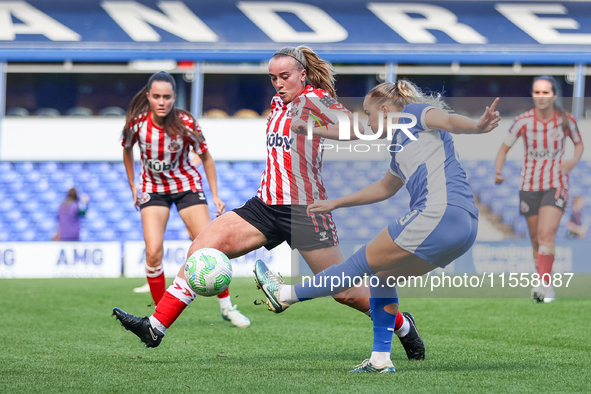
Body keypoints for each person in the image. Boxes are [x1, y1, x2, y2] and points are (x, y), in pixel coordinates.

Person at [113, 47, 423, 361]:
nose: (278, 83)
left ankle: (402, 325)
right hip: (265, 205)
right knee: (202, 246)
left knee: (345, 293)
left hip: (305, 211)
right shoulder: (278, 103)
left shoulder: (315, 100)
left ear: (302, 74)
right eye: (273, 78)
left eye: (285, 76)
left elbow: (351, 128)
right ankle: (156, 326)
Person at [253, 80, 501, 373]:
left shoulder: (414, 114)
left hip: (438, 213)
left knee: (358, 265)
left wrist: (478, 126)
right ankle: (380, 360)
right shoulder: (399, 145)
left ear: (385, 109)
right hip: (463, 227)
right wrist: (336, 202)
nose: (369, 124)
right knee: (382, 277)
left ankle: (284, 295)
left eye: (369, 115)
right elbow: (384, 188)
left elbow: (448, 120)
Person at [119, 71, 250, 328]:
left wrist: (214, 194)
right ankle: (160, 315)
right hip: (153, 188)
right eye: (156, 96)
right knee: (154, 252)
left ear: (174, 98)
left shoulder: (186, 123)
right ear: (148, 97)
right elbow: (126, 149)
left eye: (167, 97)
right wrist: (133, 184)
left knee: (208, 247)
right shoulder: (136, 123)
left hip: (186, 185)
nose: (161, 102)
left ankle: (227, 307)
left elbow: (207, 158)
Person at [495, 75, 583, 304]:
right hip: (528, 186)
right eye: (537, 92)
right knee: (535, 240)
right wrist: (497, 171)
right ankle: (546, 283)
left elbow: (579, 144)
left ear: (554, 95)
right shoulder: (523, 121)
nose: (541, 96)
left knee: (546, 234)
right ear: (533, 94)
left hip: (556, 184)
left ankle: (542, 285)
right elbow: (503, 148)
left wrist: (572, 161)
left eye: (545, 92)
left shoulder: (565, 120)